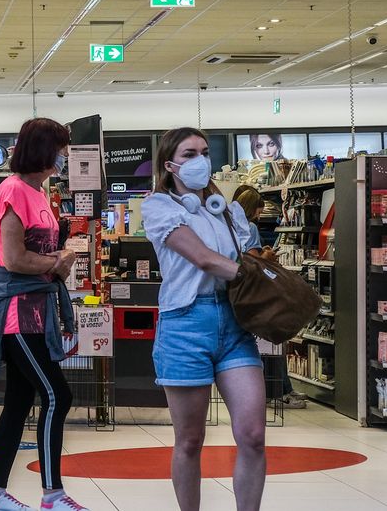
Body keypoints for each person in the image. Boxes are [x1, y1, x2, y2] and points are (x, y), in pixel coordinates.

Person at [144, 128, 265, 511]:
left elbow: (248, 255)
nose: (200, 160)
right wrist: (263, 279)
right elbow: (204, 259)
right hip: (185, 323)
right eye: (189, 153)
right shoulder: (159, 207)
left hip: (234, 324)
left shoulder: (228, 210)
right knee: (190, 440)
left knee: (253, 435)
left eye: (204, 152)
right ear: (170, 164)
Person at [0, 119, 87, 511]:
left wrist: (55, 263)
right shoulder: (13, 191)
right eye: (61, 147)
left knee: (19, 402)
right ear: (43, 149)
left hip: (37, 310)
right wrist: (57, 262)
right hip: (17, 313)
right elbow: (16, 258)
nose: (65, 155)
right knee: (58, 394)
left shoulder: (38, 192)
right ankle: (52, 495)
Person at [232, 185, 307, 411]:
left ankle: (280, 388)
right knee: (273, 342)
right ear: (253, 209)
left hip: (236, 294)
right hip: (257, 293)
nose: (258, 215)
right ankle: (279, 391)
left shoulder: (225, 226)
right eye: (258, 210)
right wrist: (267, 255)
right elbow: (255, 261)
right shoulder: (251, 227)